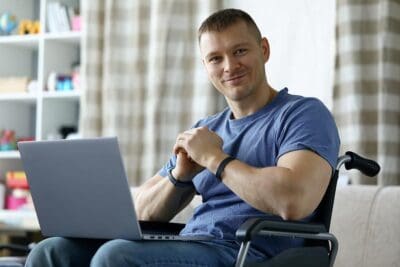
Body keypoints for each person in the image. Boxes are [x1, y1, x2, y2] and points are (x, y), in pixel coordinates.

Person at [25, 8, 340, 267]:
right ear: (206, 67)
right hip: (191, 244)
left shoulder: (303, 114)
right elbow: (142, 212)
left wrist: (215, 159)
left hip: (248, 253)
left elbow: (294, 201)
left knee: (115, 257)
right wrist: (179, 176)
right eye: (215, 58)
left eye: (240, 50)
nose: (230, 66)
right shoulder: (206, 128)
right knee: (51, 251)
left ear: (264, 50)